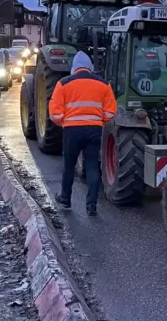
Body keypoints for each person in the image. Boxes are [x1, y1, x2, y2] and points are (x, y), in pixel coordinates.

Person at [48, 51, 116, 215]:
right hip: (94, 130)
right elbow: (111, 111)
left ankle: (65, 199)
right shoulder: (103, 84)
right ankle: (91, 206)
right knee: (92, 166)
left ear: (74, 68)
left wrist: (64, 122)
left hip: (72, 131)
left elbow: (54, 114)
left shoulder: (63, 84)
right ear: (90, 67)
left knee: (69, 165)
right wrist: (98, 121)